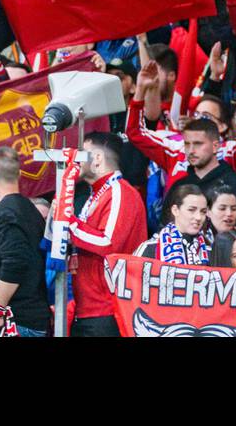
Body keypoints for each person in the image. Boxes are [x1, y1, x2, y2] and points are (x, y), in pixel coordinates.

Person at [69, 132, 147, 337]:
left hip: (108, 310)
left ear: (96, 158)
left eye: (81, 154)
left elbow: (107, 243)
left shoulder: (120, 191)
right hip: (88, 308)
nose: (75, 161)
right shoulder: (96, 194)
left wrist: (68, 222)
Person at [0, 147, 48, 338]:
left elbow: (15, 261)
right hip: (26, 318)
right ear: (18, 174)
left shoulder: (4, 213)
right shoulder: (30, 210)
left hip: (14, 321)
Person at [136, 182, 213, 264]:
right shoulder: (150, 248)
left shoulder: (210, 251)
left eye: (203, 212)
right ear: (175, 210)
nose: (198, 217)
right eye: (191, 210)